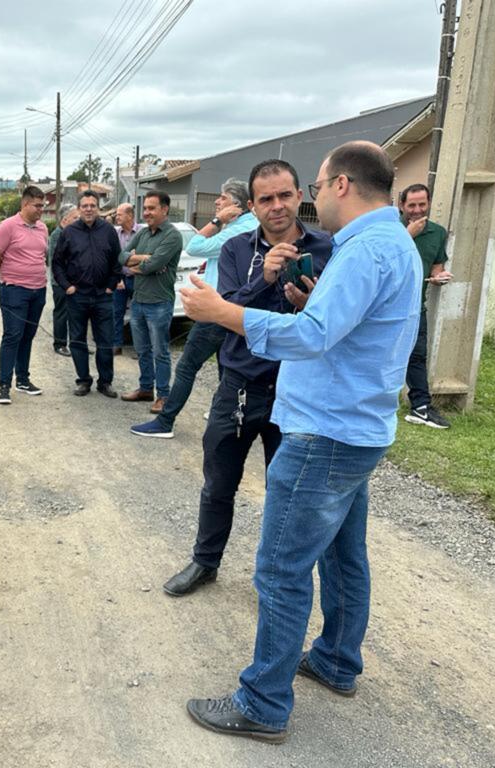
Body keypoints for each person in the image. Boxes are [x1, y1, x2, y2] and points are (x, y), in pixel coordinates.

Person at [180, 142, 422, 742]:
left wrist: (219, 312)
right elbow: (339, 327)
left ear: (342, 184)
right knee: (343, 555)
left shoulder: (366, 250)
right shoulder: (390, 243)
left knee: (282, 567)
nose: (308, 197)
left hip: (325, 431)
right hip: (355, 428)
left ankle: (262, 703)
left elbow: (313, 338)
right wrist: (311, 305)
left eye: (312, 185)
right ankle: (337, 660)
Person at [162, 159, 331, 595]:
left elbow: (333, 319)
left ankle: (274, 578)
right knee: (219, 481)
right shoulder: (237, 249)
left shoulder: (329, 248)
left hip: (296, 392)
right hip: (238, 385)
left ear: (300, 195)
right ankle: (205, 561)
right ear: (252, 206)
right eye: (266, 199)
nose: (277, 205)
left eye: (285, 195)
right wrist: (266, 276)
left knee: (286, 494)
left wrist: (307, 300)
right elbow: (224, 309)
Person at [130, 178, 258, 438]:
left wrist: (217, 221)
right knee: (227, 367)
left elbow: (196, 245)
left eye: (222, 198)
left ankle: (165, 422)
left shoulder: (238, 229)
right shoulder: (246, 227)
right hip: (232, 308)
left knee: (187, 366)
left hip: (217, 310)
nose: (217, 202)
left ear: (236, 205)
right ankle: (228, 416)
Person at [52, 190, 121, 397]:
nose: (89, 209)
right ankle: (83, 380)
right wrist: (67, 286)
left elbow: (117, 260)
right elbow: (57, 263)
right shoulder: (69, 232)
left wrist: (111, 284)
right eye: (85, 206)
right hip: (78, 296)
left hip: (103, 296)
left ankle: (105, 382)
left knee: (105, 342)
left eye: (92, 205)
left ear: (97, 208)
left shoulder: (108, 231)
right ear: (79, 209)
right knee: (77, 341)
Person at [119, 191, 182, 413]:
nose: (146, 213)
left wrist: (140, 263)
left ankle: (163, 396)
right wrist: (144, 259)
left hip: (159, 303)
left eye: (151, 208)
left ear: (164, 209)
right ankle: (146, 389)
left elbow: (154, 264)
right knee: (142, 349)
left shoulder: (172, 236)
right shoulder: (143, 233)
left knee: (160, 352)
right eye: (145, 208)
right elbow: (121, 257)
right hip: (138, 301)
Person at [0, 185, 49, 405]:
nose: (41, 209)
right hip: (14, 290)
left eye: (43, 205)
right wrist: (10, 275)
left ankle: (23, 379)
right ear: (25, 204)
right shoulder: (8, 226)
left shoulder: (42, 228)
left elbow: (43, 255)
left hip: (38, 290)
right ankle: (4, 385)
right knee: (12, 336)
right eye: (37, 205)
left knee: (28, 336)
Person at [399, 183, 453, 429]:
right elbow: (385, 256)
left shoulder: (437, 233)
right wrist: (408, 234)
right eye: (412, 205)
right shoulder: (391, 229)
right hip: (385, 309)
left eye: (422, 204)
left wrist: (440, 278)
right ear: (402, 206)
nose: (417, 210)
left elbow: (436, 268)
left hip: (415, 306)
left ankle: (421, 407)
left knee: (417, 356)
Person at [47, 203, 79, 356]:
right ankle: (59, 344)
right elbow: (56, 262)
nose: (78, 220)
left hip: (75, 283)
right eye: (75, 217)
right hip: (61, 284)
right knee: (62, 313)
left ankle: (77, 344)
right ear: (65, 220)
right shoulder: (57, 235)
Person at [112, 202, 143, 355]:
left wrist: (134, 268)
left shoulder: (142, 233)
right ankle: (116, 345)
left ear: (130, 215)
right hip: (120, 280)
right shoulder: (115, 234)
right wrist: (118, 278)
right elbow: (112, 257)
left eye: (119, 214)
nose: (116, 217)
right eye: (116, 214)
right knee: (116, 313)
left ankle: (140, 349)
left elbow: (147, 256)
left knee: (138, 314)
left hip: (139, 280)